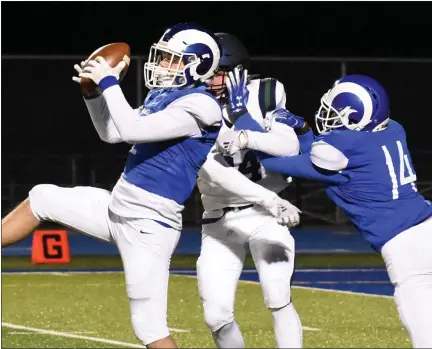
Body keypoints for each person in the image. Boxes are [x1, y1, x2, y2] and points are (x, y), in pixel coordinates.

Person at [2, 23, 224, 349]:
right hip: (118, 207)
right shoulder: (164, 96)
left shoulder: (203, 106)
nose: (161, 64)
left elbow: (132, 129)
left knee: (149, 329)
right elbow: (112, 132)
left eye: (171, 59)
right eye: (161, 57)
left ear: (198, 64)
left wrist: (108, 82)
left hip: (149, 225)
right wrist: (92, 94)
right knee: (41, 197)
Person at [218, 70, 432, 348]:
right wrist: (304, 129)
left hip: (406, 250)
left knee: (423, 332)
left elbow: (274, 161)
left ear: (355, 118)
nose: (327, 115)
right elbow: (321, 155)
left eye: (334, 112)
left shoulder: (343, 150)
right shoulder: (392, 129)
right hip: (425, 224)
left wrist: (241, 117)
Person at [196, 33, 303, 348]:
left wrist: (246, 134)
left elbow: (288, 147)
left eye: (216, 71)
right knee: (215, 316)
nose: (208, 79)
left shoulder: (265, 93)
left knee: (278, 295)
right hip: (218, 218)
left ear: (238, 71)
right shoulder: (190, 104)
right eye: (205, 71)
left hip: (266, 215)